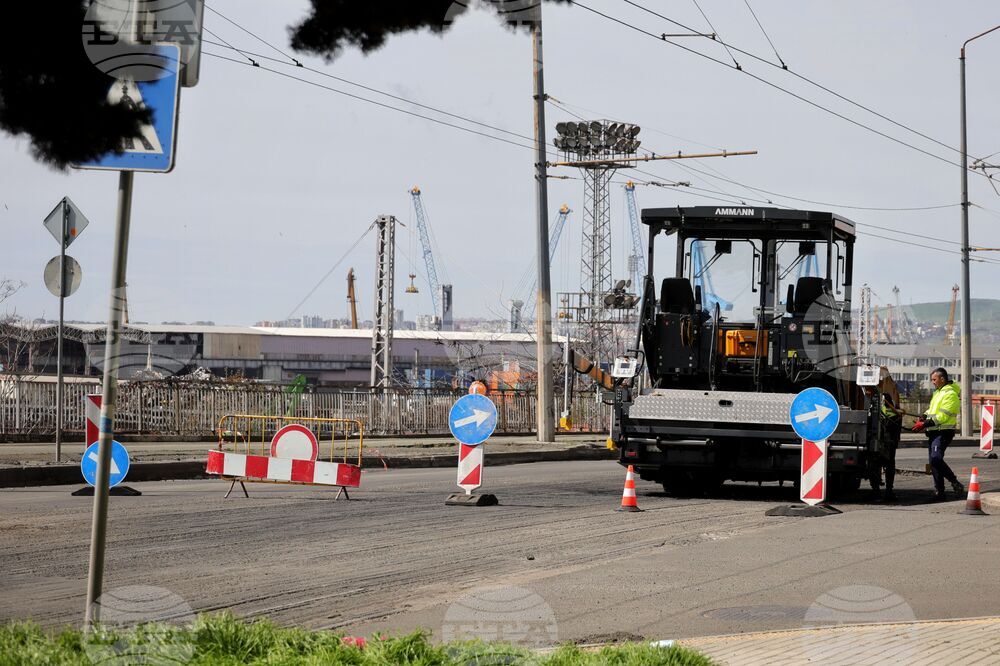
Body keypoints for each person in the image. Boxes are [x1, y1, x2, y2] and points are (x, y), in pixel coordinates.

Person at [912, 367, 965, 500]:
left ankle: (954, 481)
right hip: (934, 432)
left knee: (936, 459)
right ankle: (939, 493)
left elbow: (942, 416)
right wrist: (924, 416)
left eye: (934, 379)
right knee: (934, 462)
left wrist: (924, 424)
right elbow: (932, 409)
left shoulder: (950, 394)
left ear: (942, 379)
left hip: (943, 432)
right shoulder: (938, 392)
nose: (933, 382)